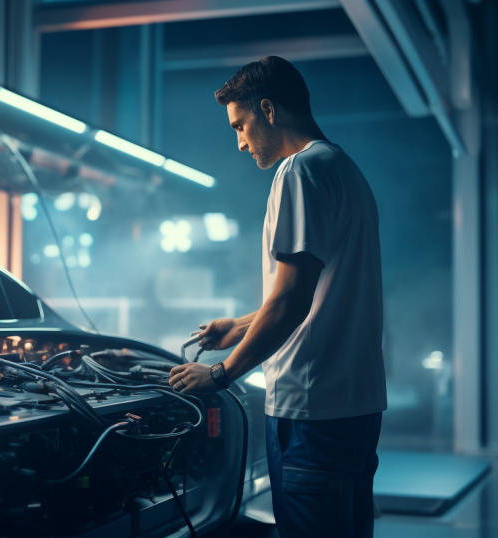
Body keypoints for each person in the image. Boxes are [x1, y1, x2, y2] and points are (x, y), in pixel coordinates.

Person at [167, 56, 387, 538]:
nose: (240, 142)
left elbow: (291, 303)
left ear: (268, 109)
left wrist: (221, 374)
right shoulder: (343, 168)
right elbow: (318, 291)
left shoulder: (299, 172)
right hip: (354, 406)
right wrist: (239, 326)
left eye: (241, 125)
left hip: (311, 411)